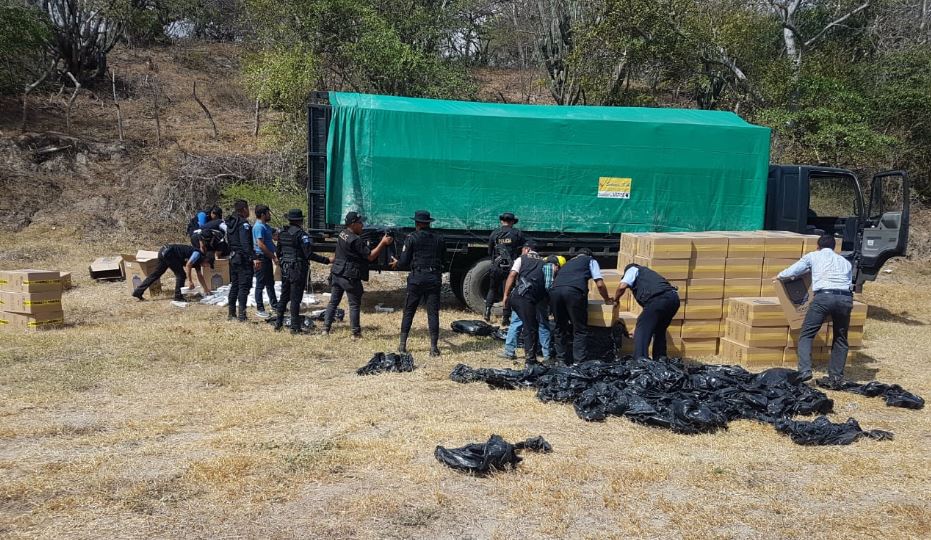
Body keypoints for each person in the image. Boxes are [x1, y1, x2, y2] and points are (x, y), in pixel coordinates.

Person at [777, 234, 854, 384]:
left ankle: (805, 370)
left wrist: (779, 276)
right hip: (845, 298)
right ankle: (836, 376)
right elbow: (848, 281)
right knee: (840, 337)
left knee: (807, 334)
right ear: (834, 247)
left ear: (818, 246)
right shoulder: (845, 262)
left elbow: (792, 272)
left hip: (824, 298)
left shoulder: (813, 256)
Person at [322, 211, 394, 337]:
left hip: (337, 273)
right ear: (353, 224)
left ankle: (325, 329)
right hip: (350, 275)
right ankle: (355, 333)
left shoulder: (342, 234)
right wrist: (383, 243)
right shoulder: (356, 240)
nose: (362, 225)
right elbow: (370, 256)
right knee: (354, 305)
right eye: (360, 223)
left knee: (333, 302)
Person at [394, 210, 447, 356]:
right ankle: (434, 348)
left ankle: (402, 345)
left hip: (417, 278)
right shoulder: (439, 238)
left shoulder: (411, 238)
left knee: (409, 311)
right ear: (429, 223)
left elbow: (404, 262)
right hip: (433, 278)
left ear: (416, 223)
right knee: (433, 313)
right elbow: (444, 260)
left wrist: (397, 263)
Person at [549, 248, 613, 365]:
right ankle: (578, 363)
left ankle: (560, 360)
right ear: (589, 255)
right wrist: (607, 299)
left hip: (555, 292)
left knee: (560, 327)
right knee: (579, 329)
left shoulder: (568, 263)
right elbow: (599, 284)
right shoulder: (590, 260)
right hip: (574, 292)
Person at [274, 209, 332, 334]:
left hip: (285, 268)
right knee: (295, 298)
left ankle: (278, 323)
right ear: (300, 220)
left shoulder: (282, 233)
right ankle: (295, 327)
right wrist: (327, 260)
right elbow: (308, 254)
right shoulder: (301, 235)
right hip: (297, 269)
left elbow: (278, 252)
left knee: (284, 296)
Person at [500, 254, 561, 362]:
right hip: (537, 297)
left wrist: (506, 294)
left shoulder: (524, 261)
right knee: (542, 324)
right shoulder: (548, 267)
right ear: (557, 265)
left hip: (521, 294)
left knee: (517, 321)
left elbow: (513, 275)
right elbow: (548, 287)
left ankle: (509, 350)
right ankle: (546, 353)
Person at [613, 263, 680, 360]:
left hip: (659, 299)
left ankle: (640, 362)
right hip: (673, 299)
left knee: (643, 331)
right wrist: (637, 327)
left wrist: (616, 300)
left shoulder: (633, 269)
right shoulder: (650, 276)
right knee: (659, 330)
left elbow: (622, 286)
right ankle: (661, 360)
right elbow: (648, 313)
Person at [132, 244, 211, 301]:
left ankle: (138, 291)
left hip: (164, 251)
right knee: (181, 275)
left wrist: (206, 289)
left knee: (156, 274)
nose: (206, 267)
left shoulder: (199, 263)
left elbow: (200, 275)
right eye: (208, 265)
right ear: (206, 260)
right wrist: (190, 281)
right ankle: (178, 296)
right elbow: (188, 265)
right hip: (169, 253)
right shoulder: (197, 254)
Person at [485, 212, 525, 324]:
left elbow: (489, 251)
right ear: (512, 222)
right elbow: (524, 248)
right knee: (507, 292)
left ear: (502, 221)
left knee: (492, 289)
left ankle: (487, 311)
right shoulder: (517, 233)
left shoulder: (495, 233)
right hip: (510, 268)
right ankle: (506, 318)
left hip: (496, 266)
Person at [226, 199, 254, 322]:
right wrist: (254, 257)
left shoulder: (231, 223)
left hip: (233, 257)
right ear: (244, 209)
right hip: (242, 259)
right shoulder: (243, 224)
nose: (249, 211)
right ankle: (242, 315)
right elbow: (245, 244)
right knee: (244, 286)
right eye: (248, 209)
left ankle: (231, 313)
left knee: (235, 285)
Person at [252, 205, 279, 319]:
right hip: (261, 258)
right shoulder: (258, 227)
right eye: (268, 213)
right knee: (260, 284)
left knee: (270, 283)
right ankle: (260, 308)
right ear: (263, 214)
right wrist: (273, 256)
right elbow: (261, 244)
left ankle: (275, 305)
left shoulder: (266, 227)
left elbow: (272, 238)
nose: (270, 215)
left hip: (267, 258)